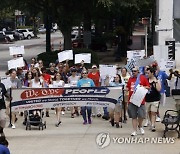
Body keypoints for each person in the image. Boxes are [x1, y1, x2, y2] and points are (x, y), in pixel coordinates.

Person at [127, 66, 150, 136]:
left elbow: (148, 87)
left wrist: (142, 87)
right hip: (132, 100)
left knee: (141, 115)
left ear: (138, 71)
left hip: (140, 100)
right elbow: (128, 87)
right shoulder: (130, 79)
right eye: (132, 71)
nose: (133, 72)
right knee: (134, 116)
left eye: (135, 71)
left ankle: (140, 126)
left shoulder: (143, 78)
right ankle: (134, 130)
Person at [145, 67, 161, 132]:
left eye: (148, 73)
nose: (147, 74)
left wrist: (156, 83)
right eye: (146, 73)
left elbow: (159, 89)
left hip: (155, 99)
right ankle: (151, 122)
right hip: (148, 99)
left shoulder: (157, 80)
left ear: (152, 73)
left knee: (153, 112)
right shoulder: (146, 80)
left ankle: (153, 125)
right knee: (149, 112)